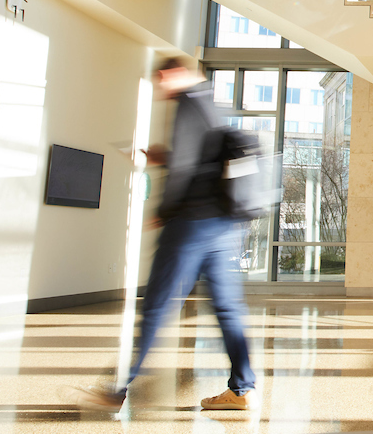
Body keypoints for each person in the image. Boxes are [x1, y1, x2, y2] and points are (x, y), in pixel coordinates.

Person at [75, 57, 258, 411]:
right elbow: (200, 159)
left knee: (157, 306)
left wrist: (162, 211)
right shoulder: (209, 103)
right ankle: (241, 390)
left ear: (174, 74)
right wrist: (162, 157)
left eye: (161, 79)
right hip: (220, 223)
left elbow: (186, 167)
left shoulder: (187, 103)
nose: (160, 86)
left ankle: (115, 389)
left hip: (189, 224)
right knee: (227, 309)